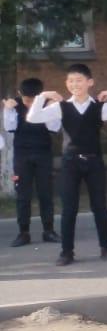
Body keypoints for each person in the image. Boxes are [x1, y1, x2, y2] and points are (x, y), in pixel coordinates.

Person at [27, 63, 107, 267]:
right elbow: (33, 118)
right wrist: (42, 97)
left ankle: (106, 248)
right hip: (70, 163)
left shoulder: (99, 107)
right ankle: (66, 251)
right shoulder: (61, 107)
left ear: (90, 82)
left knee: (100, 207)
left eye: (79, 80)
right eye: (70, 81)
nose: (74, 84)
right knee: (69, 208)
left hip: (94, 161)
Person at [5, 78, 58, 247]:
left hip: (43, 154)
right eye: (27, 100)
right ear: (20, 94)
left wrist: (51, 109)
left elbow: (54, 128)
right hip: (22, 156)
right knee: (23, 195)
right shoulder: (15, 106)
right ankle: (23, 232)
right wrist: (8, 110)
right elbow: (9, 127)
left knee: (45, 193)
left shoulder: (47, 105)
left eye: (34, 100)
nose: (29, 103)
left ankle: (48, 230)